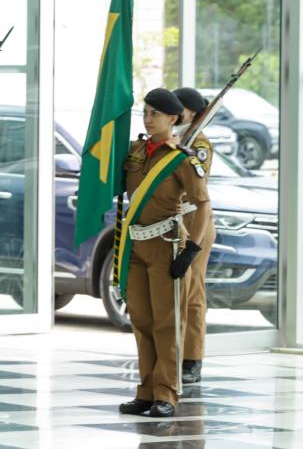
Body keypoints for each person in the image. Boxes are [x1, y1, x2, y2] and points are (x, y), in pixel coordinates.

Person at [118, 88, 211, 418]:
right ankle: (145, 390)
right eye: (145, 112)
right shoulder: (135, 152)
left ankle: (166, 393)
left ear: (173, 118)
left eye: (155, 114)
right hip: (136, 243)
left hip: (167, 244)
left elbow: (202, 205)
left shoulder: (182, 158)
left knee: (167, 322)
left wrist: (192, 249)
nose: (148, 119)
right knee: (142, 321)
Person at [172, 87, 217, 384]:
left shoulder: (198, 143)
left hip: (194, 218)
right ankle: (172, 353)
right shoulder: (173, 138)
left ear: (193, 113)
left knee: (192, 291)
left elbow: (195, 184)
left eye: (180, 108)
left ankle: (192, 358)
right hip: (171, 220)